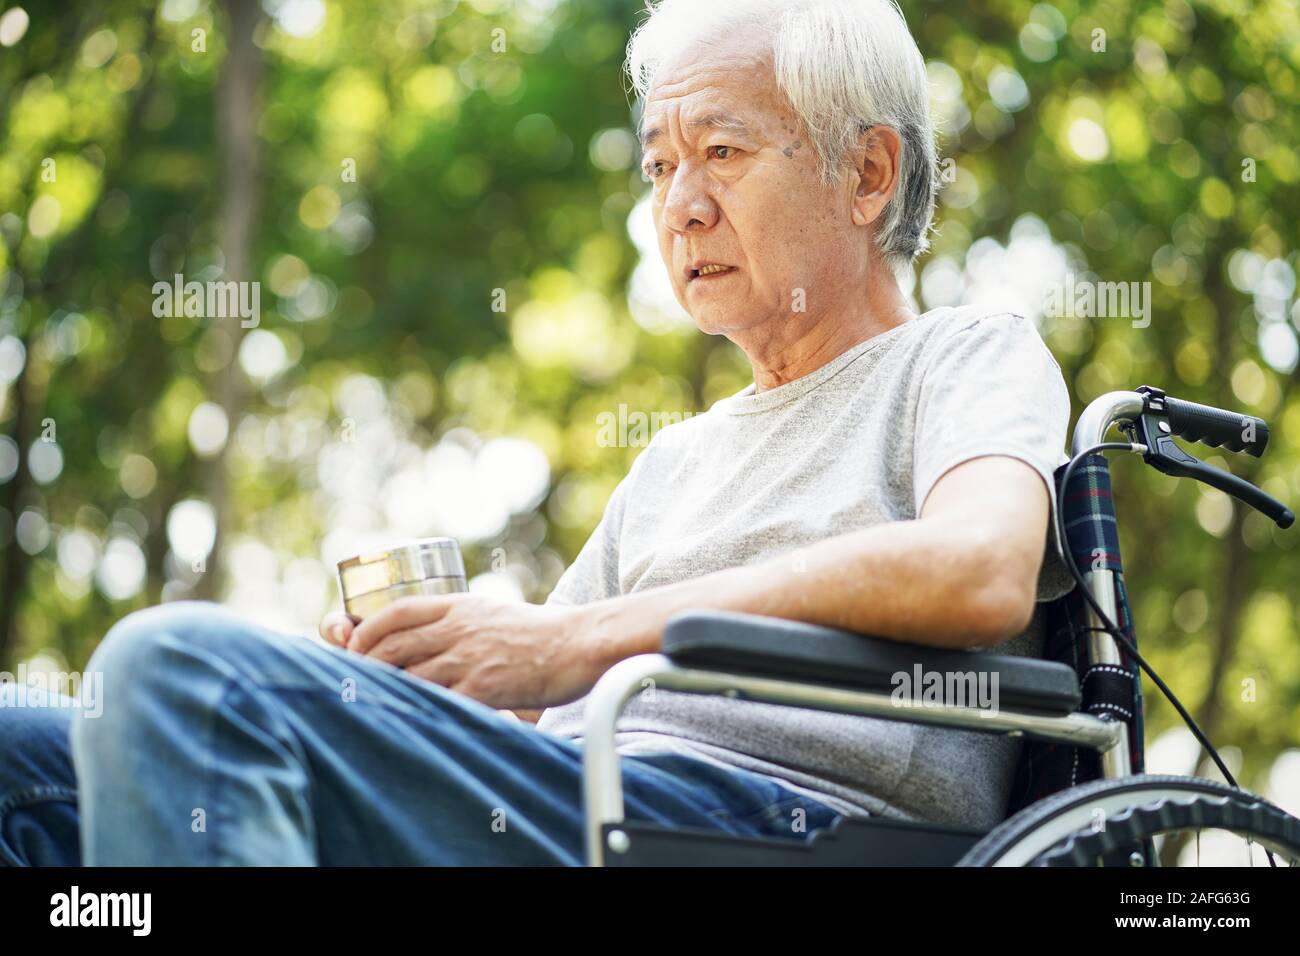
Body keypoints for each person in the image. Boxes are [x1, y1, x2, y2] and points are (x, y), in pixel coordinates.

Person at [0, 0, 1070, 866]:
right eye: (659, 166)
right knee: (22, 757)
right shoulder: (676, 458)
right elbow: (537, 709)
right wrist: (426, 673)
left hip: (773, 823)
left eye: (723, 151)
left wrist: (564, 643)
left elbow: (977, 568)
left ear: (867, 173)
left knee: (184, 670)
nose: (681, 206)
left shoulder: (963, 354)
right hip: (588, 794)